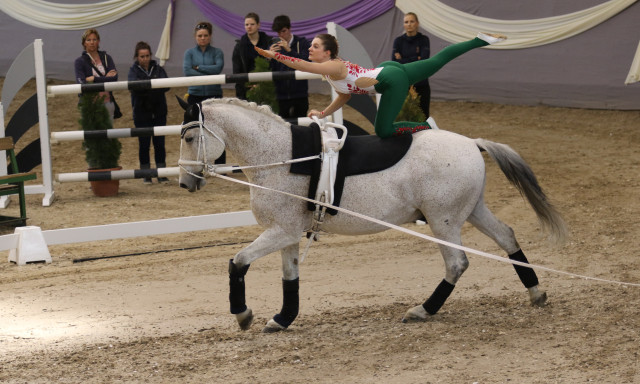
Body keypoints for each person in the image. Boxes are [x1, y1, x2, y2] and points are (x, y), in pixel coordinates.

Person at [256, 32, 506, 139]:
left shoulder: (332, 66)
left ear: (328, 52)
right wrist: (323, 113)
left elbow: (305, 67)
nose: (310, 49)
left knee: (384, 130)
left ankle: (425, 126)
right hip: (389, 69)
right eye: (310, 46)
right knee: (438, 60)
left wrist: (275, 56)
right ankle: (480, 40)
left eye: (315, 46)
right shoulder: (334, 72)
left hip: (390, 79)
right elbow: (344, 96)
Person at [183, 21, 225, 163]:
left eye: (205, 35)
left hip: (214, 94)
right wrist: (208, 74)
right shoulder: (189, 53)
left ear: (210, 36)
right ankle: (197, 162)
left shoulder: (218, 52)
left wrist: (198, 67)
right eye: (200, 35)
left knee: (217, 129)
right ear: (195, 36)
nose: (203, 38)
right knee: (195, 130)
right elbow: (187, 71)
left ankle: (220, 163)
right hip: (195, 94)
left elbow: (217, 69)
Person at [128, 41, 169, 184]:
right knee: (144, 144)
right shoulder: (133, 70)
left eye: (147, 56)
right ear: (137, 57)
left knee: (159, 143)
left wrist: (146, 87)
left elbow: (166, 85)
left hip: (159, 111)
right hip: (141, 112)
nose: (145, 59)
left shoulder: (158, 68)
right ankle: (146, 173)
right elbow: (134, 87)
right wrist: (152, 86)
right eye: (142, 56)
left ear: (151, 55)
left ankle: (162, 172)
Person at [268, 15, 311, 118]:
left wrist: (290, 51)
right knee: (283, 126)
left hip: (300, 94)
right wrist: (269, 57)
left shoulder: (303, 43)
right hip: (281, 95)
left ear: (289, 28)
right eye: (279, 33)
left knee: (301, 126)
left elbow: (307, 62)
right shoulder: (274, 46)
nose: (281, 35)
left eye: (284, 31)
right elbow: (269, 69)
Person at [74, 28, 121, 120]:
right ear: (84, 43)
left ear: (98, 41)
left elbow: (114, 78)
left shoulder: (107, 58)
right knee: (90, 134)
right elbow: (82, 84)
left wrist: (94, 79)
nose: (92, 42)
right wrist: (105, 78)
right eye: (88, 40)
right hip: (89, 105)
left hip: (107, 103)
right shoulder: (79, 62)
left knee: (107, 133)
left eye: (94, 39)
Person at [392, 12, 431, 118]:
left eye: (412, 21)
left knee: (423, 116)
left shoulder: (424, 40)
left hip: (421, 84)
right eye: (406, 22)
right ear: (404, 24)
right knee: (404, 116)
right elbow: (395, 63)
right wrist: (415, 58)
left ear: (417, 23)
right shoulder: (398, 41)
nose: (409, 24)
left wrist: (403, 59)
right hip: (404, 84)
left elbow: (423, 61)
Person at [232, 12, 271, 100]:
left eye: (252, 24)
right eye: (246, 24)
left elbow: (273, 66)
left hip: (267, 88)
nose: (249, 27)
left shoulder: (268, 43)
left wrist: (261, 85)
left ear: (258, 25)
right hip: (246, 90)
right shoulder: (239, 46)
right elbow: (237, 71)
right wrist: (248, 87)